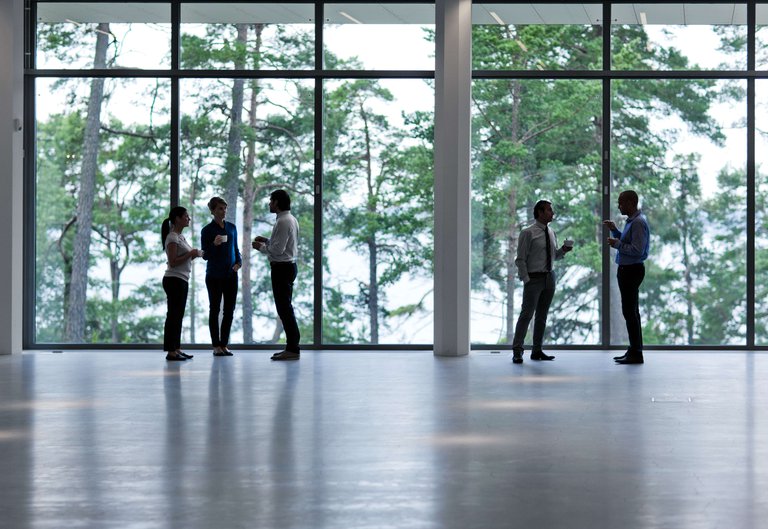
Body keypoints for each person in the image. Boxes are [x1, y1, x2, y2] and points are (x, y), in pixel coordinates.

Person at [511, 200, 573, 364]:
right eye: (549, 211)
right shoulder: (528, 233)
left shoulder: (552, 232)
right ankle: (517, 351)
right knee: (526, 315)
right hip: (534, 278)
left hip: (549, 277)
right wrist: (526, 279)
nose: (552, 213)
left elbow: (555, 256)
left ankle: (537, 350)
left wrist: (563, 251)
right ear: (540, 212)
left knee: (542, 316)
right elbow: (520, 259)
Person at [252, 189, 300, 361]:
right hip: (289, 266)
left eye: (271, 201)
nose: (269, 204)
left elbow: (278, 251)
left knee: (284, 309)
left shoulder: (282, 221)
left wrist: (261, 248)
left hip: (281, 268)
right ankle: (291, 347)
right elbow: (284, 245)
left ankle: (293, 348)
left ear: (277, 203)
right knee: (286, 308)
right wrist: (266, 240)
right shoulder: (290, 219)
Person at [604, 190, 650, 365]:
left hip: (631, 270)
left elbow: (637, 249)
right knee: (631, 312)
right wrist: (615, 231)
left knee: (630, 312)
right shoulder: (633, 222)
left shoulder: (638, 223)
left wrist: (617, 244)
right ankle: (634, 350)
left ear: (631, 203)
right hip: (628, 269)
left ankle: (636, 353)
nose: (619, 205)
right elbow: (628, 241)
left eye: (621, 202)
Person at [201, 196, 242, 357]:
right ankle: (215, 345)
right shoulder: (207, 230)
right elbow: (205, 255)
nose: (223, 211)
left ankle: (224, 344)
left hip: (231, 275)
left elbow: (236, 249)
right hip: (214, 276)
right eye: (220, 208)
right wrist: (214, 244)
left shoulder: (231, 228)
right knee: (214, 309)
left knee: (229, 310)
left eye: (225, 208)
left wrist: (239, 263)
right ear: (212, 211)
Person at [161, 206, 202, 361]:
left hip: (182, 279)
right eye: (186, 216)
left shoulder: (180, 237)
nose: (188, 218)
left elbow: (183, 258)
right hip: (174, 279)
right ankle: (171, 351)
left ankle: (176, 349)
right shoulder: (172, 237)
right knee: (173, 315)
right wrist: (191, 253)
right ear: (177, 219)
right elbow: (172, 262)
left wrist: (194, 255)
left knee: (178, 315)